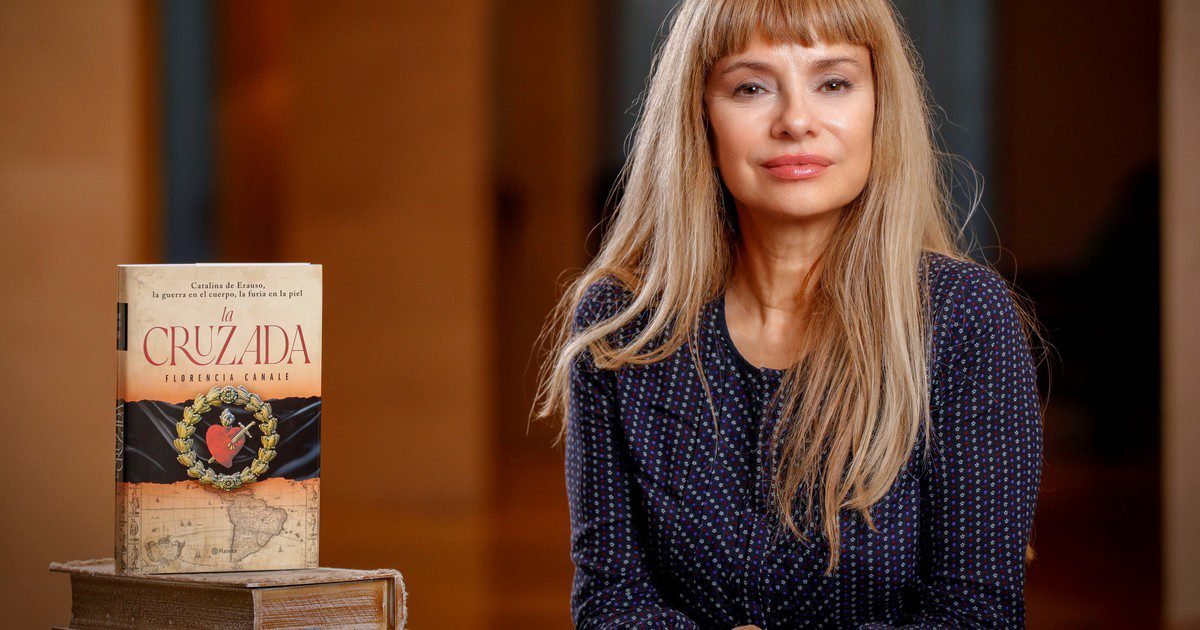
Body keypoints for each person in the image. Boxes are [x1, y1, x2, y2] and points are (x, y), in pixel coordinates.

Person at [531, 0, 1046, 627]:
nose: (796, 121)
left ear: (881, 108)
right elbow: (611, 602)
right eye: (751, 87)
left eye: (834, 83)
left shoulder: (964, 317)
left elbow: (977, 614)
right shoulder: (622, 324)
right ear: (700, 117)